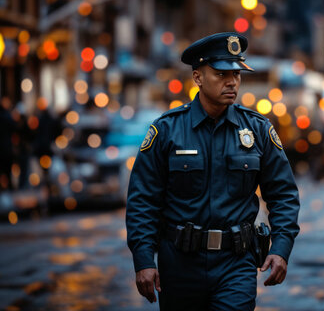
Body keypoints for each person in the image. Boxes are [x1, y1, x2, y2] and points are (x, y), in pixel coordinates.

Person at [126, 32, 301, 310]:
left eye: (236, 74)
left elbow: (283, 195)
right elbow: (142, 201)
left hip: (236, 264)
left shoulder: (257, 130)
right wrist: (144, 259)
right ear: (197, 78)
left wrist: (281, 249)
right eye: (221, 74)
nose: (232, 82)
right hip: (180, 264)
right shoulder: (167, 130)